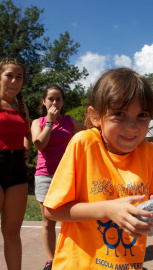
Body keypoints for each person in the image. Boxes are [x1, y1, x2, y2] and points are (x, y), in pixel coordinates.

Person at [42, 67, 153, 270]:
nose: (132, 126)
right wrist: (107, 209)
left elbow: (150, 199)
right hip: (80, 264)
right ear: (95, 116)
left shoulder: (150, 153)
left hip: (128, 263)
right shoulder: (84, 143)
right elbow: (52, 210)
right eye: (119, 114)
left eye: (142, 115)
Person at [31, 84, 83, 270]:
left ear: (62, 102)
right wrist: (50, 122)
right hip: (45, 175)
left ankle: (72, 254)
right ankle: (51, 260)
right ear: (44, 101)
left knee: (72, 218)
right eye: (51, 99)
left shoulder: (69, 121)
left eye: (58, 99)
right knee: (48, 220)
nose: (55, 102)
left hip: (67, 175)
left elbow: (87, 135)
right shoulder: (38, 122)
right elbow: (40, 144)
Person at [0, 57, 31, 270]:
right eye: (9, 75)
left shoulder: (21, 105)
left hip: (18, 167)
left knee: (12, 232)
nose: (14, 81)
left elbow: (26, 131)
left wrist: (27, 146)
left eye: (18, 77)